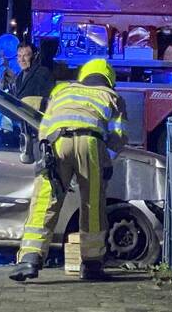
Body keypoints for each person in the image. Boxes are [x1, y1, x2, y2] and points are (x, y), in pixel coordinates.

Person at [10, 58, 128, 282]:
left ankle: (29, 259)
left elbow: (46, 124)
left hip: (57, 141)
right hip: (90, 143)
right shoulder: (112, 97)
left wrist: (45, 154)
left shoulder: (62, 90)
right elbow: (119, 136)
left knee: (45, 199)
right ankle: (92, 265)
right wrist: (105, 161)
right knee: (92, 204)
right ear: (109, 80)